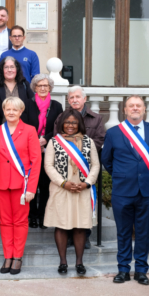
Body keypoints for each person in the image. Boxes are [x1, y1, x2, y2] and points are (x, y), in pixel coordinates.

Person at [102, 95, 149, 286]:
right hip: (122, 191)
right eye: (131, 106)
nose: (135, 108)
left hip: (146, 190)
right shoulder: (113, 132)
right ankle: (123, 269)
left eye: (138, 105)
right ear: (125, 110)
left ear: (144, 109)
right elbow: (107, 160)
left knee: (143, 232)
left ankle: (141, 271)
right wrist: (123, 175)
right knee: (123, 232)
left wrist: (143, 174)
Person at [0, 97, 41, 275]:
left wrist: (31, 188)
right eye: (8, 109)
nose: (11, 112)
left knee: (20, 222)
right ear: (3, 111)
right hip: (1, 184)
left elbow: (36, 161)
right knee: (4, 222)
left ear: (21, 111)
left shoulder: (30, 130)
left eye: (14, 109)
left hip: (21, 185)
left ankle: (17, 257)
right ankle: (7, 256)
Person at [44, 109, 100, 276]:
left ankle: (79, 262)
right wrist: (63, 183)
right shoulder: (54, 141)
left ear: (79, 124)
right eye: (67, 122)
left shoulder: (88, 142)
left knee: (80, 226)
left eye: (74, 123)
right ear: (62, 124)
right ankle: (63, 262)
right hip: (61, 189)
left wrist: (87, 183)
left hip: (82, 190)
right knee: (61, 225)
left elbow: (96, 165)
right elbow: (48, 166)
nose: (70, 125)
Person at [53, 85, 106, 249]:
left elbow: (99, 140)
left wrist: (81, 153)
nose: (74, 100)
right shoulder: (61, 117)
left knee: (84, 204)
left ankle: (84, 236)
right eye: (71, 97)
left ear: (84, 99)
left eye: (77, 97)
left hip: (86, 167)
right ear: (68, 100)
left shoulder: (96, 119)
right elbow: (56, 138)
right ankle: (68, 236)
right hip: (65, 168)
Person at [22, 74, 63, 229]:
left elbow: (59, 127)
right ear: (35, 88)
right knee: (32, 183)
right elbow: (24, 125)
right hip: (30, 149)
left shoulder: (57, 106)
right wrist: (35, 141)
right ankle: (32, 216)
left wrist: (45, 139)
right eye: (40, 85)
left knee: (45, 185)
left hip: (49, 149)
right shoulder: (27, 104)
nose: (43, 88)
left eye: (46, 85)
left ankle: (43, 216)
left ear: (50, 87)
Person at [0, 56, 34, 127]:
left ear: (17, 69)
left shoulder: (25, 85)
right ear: (2, 70)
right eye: (6, 67)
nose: (9, 70)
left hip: (22, 128)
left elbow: (31, 108)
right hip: (1, 129)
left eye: (12, 67)